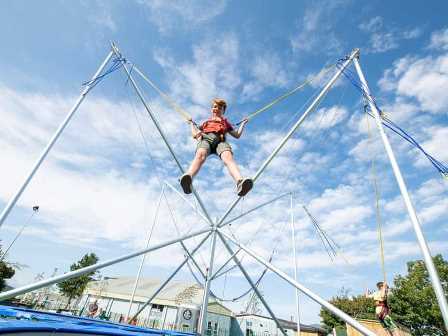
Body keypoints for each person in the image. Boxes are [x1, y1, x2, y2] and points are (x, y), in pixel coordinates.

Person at [180, 98, 253, 196]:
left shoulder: (225, 123)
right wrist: (191, 124)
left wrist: (243, 123)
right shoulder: (205, 123)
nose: (217, 109)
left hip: (221, 141)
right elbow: (195, 135)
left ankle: (239, 182)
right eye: (215, 107)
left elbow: (237, 135)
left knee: (228, 158)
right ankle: (188, 177)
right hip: (206, 138)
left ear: (223, 111)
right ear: (211, 109)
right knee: (200, 155)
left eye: (219, 108)